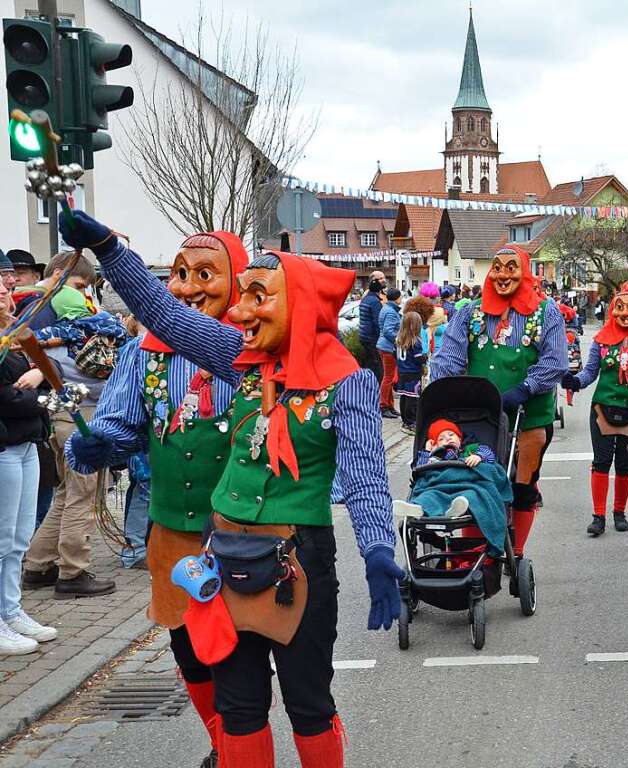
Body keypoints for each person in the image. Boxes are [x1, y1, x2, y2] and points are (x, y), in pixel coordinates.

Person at [58, 209, 402, 768]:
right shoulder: (240, 359)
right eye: (240, 296)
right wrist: (108, 249)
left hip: (297, 562)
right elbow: (164, 314)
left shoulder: (350, 383)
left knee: (308, 703)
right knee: (239, 708)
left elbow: (364, 479)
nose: (239, 310)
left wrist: (379, 550)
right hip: (223, 556)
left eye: (257, 297)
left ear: (301, 303)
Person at [65, 230, 247, 768]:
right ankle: (224, 743)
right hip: (170, 532)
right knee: (189, 654)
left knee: (238, 656)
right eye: (179, 273)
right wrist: (98, 444)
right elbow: (120, 426)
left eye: (205, 274)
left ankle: (241, 746)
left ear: (236, 281)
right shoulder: (144, 354)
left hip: (240, 532)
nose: (188, 286)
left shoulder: (248, 348)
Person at [431, 245, 567, 559]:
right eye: (497, 267)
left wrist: (526, 387)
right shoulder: (470, 311)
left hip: (528, 413)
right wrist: (443, 387)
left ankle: (515, 552)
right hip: (481, 415)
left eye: (511, 267)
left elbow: (555, 361)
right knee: (476, 480)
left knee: (523, 483)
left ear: (525, 272)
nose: (503, 275)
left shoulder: (546, 312)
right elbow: (449, 355)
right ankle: (476, 553)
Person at [23, 254, 121, 599]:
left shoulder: (45, 314)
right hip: (82, 415)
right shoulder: (66, 319)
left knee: (66, 495)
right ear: (61, 278)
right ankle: (73, 572)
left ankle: (37, 565)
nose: (84, 297)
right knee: (83, 496)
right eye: (80, 286)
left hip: (64, 416)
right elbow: (84, 368)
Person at [0, 279, 58, 654]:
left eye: (3, 288)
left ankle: (11, 610)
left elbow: (46, 373)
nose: (4, 293)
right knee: (2, 537)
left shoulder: (15, 334)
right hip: (4, 445)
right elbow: (9, 397)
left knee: (20, 537)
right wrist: (37, 397)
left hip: (26, 443)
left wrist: (37, 378)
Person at [562, 288, 628, 536]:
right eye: (619, 307)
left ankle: (619, 512)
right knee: (601, 462)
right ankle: (598, 516)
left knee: (625, 463)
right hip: (603, 408)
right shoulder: (601, 340)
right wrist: (575, 382)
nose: (625, 313)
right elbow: (590, 371)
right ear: (612, 311)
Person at [392, 419, 510, 551]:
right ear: (436, 444)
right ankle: (417, 508)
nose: (448, 439)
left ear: (459, 437)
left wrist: (479, 457)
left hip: (466, 486)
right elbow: (421, 470)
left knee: (471, 495)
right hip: (440, 488)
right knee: (429, 496)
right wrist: (427, 450)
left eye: (451, 435)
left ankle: (456, 510)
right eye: (441, 438)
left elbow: (488, 453)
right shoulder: (436, 456)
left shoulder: (470, 449)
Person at [395, 311, 426, 433]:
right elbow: (418, 359)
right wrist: (425, 357)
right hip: (413, 373)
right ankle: (411, 422)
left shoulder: (398, 340)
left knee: (404, 397)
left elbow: (394, 355)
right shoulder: (415, 342)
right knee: (413, 399)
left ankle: (405, 420)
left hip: (402, 372)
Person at [377, 288, 402, 419]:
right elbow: (388, 331)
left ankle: (390, 405)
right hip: (388, 348)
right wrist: (399, 340)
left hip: (384, 346)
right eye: (400, 297)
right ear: (397, 298)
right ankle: (383, 406)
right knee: (388, 377)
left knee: (389, 377)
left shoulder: (386, 309)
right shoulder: (391, 312)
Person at [358, 274, 384, 382]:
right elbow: (378, 321)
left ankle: (364, 381)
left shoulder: (365, 299)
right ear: (379, 290)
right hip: (371, 337)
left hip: (363, 335)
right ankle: (375, 385)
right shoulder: (375, 302)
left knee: (368, 361)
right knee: (376, 363)